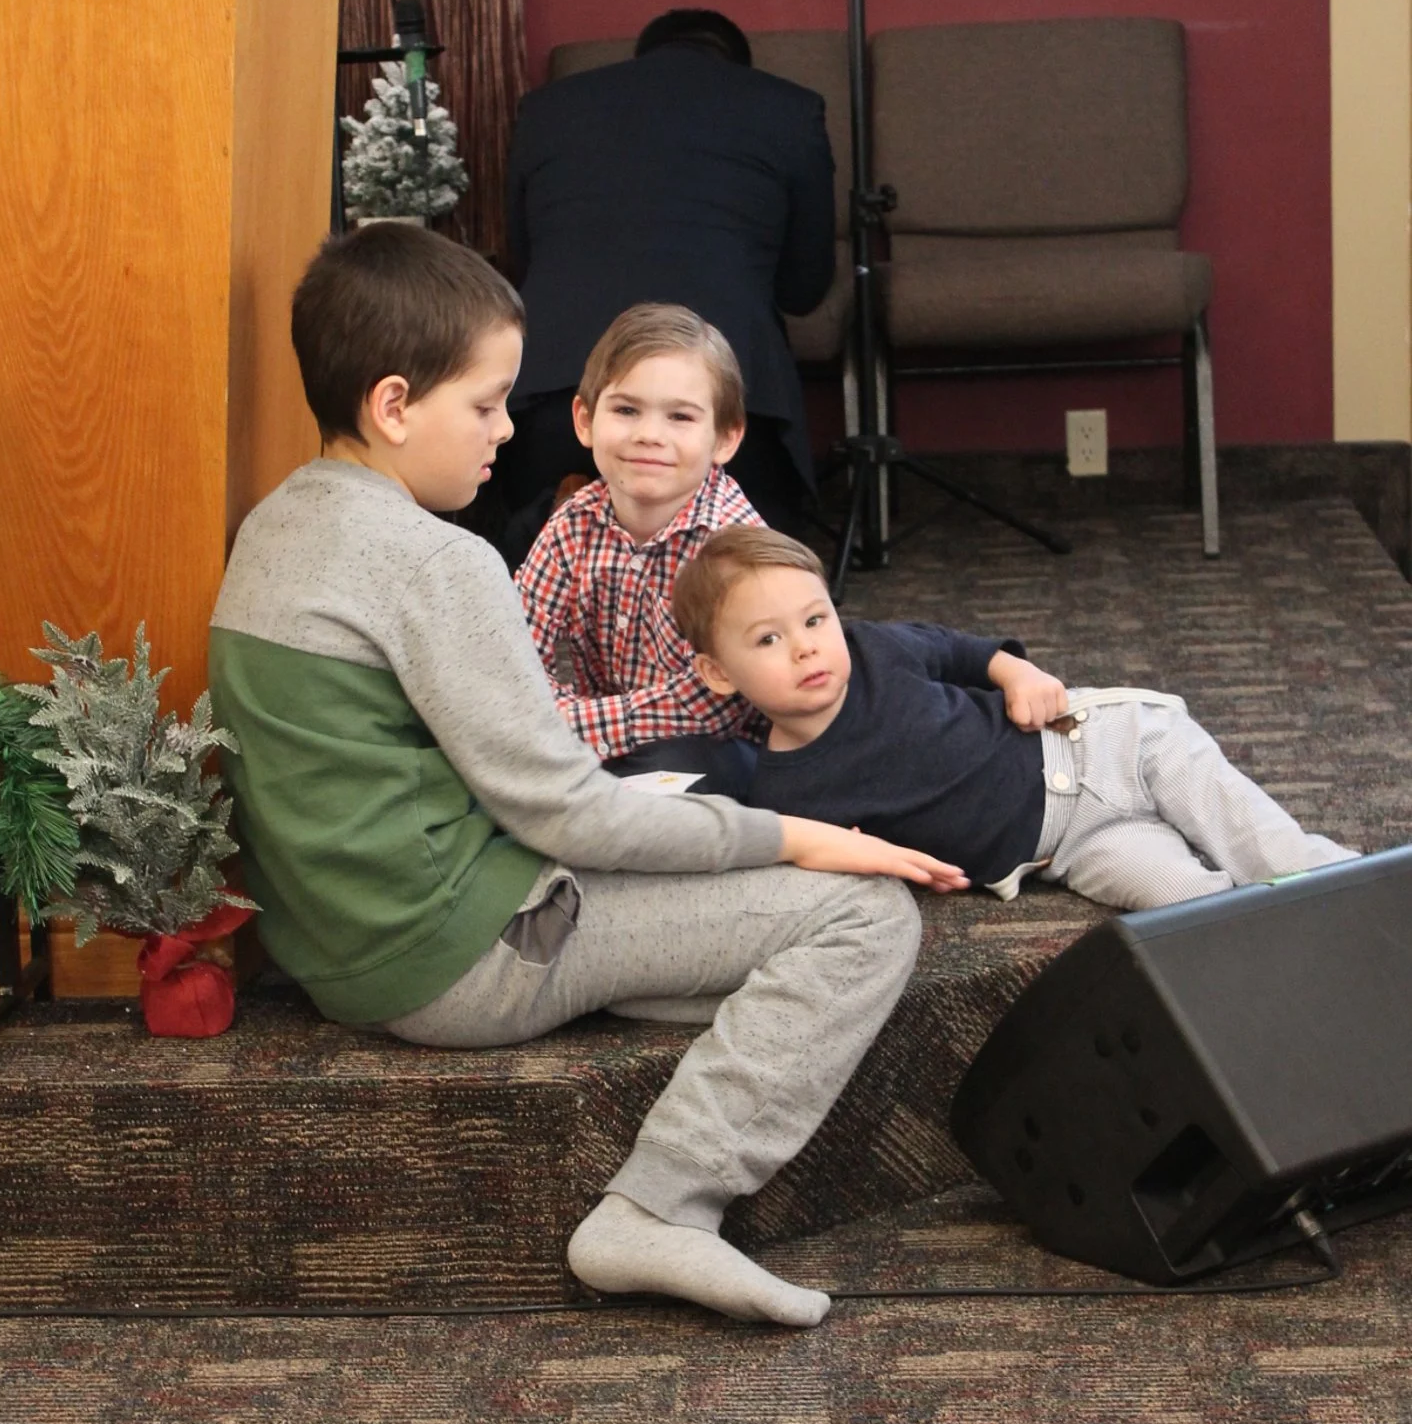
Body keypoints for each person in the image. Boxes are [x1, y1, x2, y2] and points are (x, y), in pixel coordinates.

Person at [208, 224, 967, 1330]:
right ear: (391, 406)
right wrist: (799, 840)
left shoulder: (274, 527)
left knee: (769, 957)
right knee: (864, 921)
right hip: (464, 952)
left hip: (338, 947)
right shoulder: (436, 561)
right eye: (486, 404)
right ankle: (658, 1210)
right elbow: (565, 810)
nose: (505, 431)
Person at [672, 526, 1359, 914]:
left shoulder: (873, 650)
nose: (805, 648)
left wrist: (1020, 673)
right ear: (718, 672)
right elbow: (835, 861)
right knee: (1184, 906)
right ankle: (1280, 940)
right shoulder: (786, 795)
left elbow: (962, 652)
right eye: (767, 640)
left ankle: (1364, 897)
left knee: (1261, 845)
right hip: (1066, 853)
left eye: (815, 619)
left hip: (1096, 747)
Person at [500, 7, 836, 540]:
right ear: (735, 66)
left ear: (643, 56)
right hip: (724, 404)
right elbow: (805, 287)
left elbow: (522, 258)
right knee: (741, 577)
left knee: (529, 557)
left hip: (554, 396)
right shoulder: (788, 109)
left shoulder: (546, 110)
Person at [515, 303, 764, 768]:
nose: (650, 434)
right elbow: (514, 649)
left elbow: (715, 707)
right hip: (599, 738)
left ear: (726, 439)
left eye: (680, 418)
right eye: (627, 410)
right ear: (585, 421)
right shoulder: (574, 523)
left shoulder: (735, 548)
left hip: (721, 749)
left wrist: (555, 724)